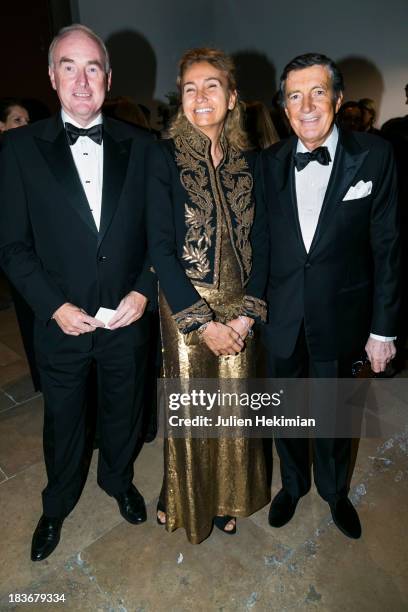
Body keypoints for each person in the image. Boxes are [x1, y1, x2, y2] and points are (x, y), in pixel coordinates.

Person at [0, 24, 156, 562]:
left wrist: (143, 292)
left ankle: (117, 481)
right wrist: (55, 307)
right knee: (62, 420)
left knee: (124, 411)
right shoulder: (18, 149)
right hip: (60, 323)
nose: (82, 79)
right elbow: (13, 247)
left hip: (126, 321)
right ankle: (57, 502)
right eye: (70, 65)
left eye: (93, 67)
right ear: (52, 76)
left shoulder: (143, 147)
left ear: (109, 78)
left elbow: (162, 238)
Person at [259, 53, 399, 539]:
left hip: (343, 316)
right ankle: (293, 485)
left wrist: (383, 329)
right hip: (281, 319)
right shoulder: (268, 162)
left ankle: (334, 491)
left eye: (318, 92)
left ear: (337, 100)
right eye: (294, 96)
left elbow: (387, 247)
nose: (307, 105)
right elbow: (257, 249)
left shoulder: (374, 156)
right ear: (283, 107)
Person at [147, 48, 270, 543]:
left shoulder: (250, 161)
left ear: (232, 97)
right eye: (191, 88)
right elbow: (158, 244)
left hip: (240, 306)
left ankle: (226, 498)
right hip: (184, 304)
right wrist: (201, 320)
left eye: (212, 85)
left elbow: (264, 240)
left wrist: (246, 316)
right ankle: (181, 497)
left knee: (234, 407)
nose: (201, 96)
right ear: (181, 99)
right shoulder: (162, 156)